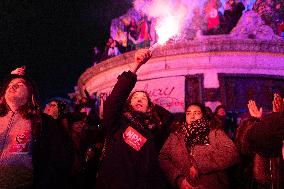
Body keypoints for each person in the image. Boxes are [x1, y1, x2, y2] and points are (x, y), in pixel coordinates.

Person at [96, 49, 173, 189]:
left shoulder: (150, 134)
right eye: (135, 97)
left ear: (149, 107)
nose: (139, 99)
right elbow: (114, 100)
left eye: (143, 98)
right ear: (128, 103)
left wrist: (154, 109)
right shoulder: (118, 122)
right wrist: (135, 66)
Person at [0, 67, 72, 189]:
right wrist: (10, 76)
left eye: (20, 84)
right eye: (10, 84)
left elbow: (58, 160)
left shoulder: (42, 122)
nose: (13, 87)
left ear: (30, 93)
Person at [159, 103, 239, 189]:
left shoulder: (214, 132)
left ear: (203, 116)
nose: (192, 116)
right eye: (188, 113)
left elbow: (232, 153)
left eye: (196, 113)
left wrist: (200, 164)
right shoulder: (176, 135)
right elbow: (163, 157)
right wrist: (178, 179)